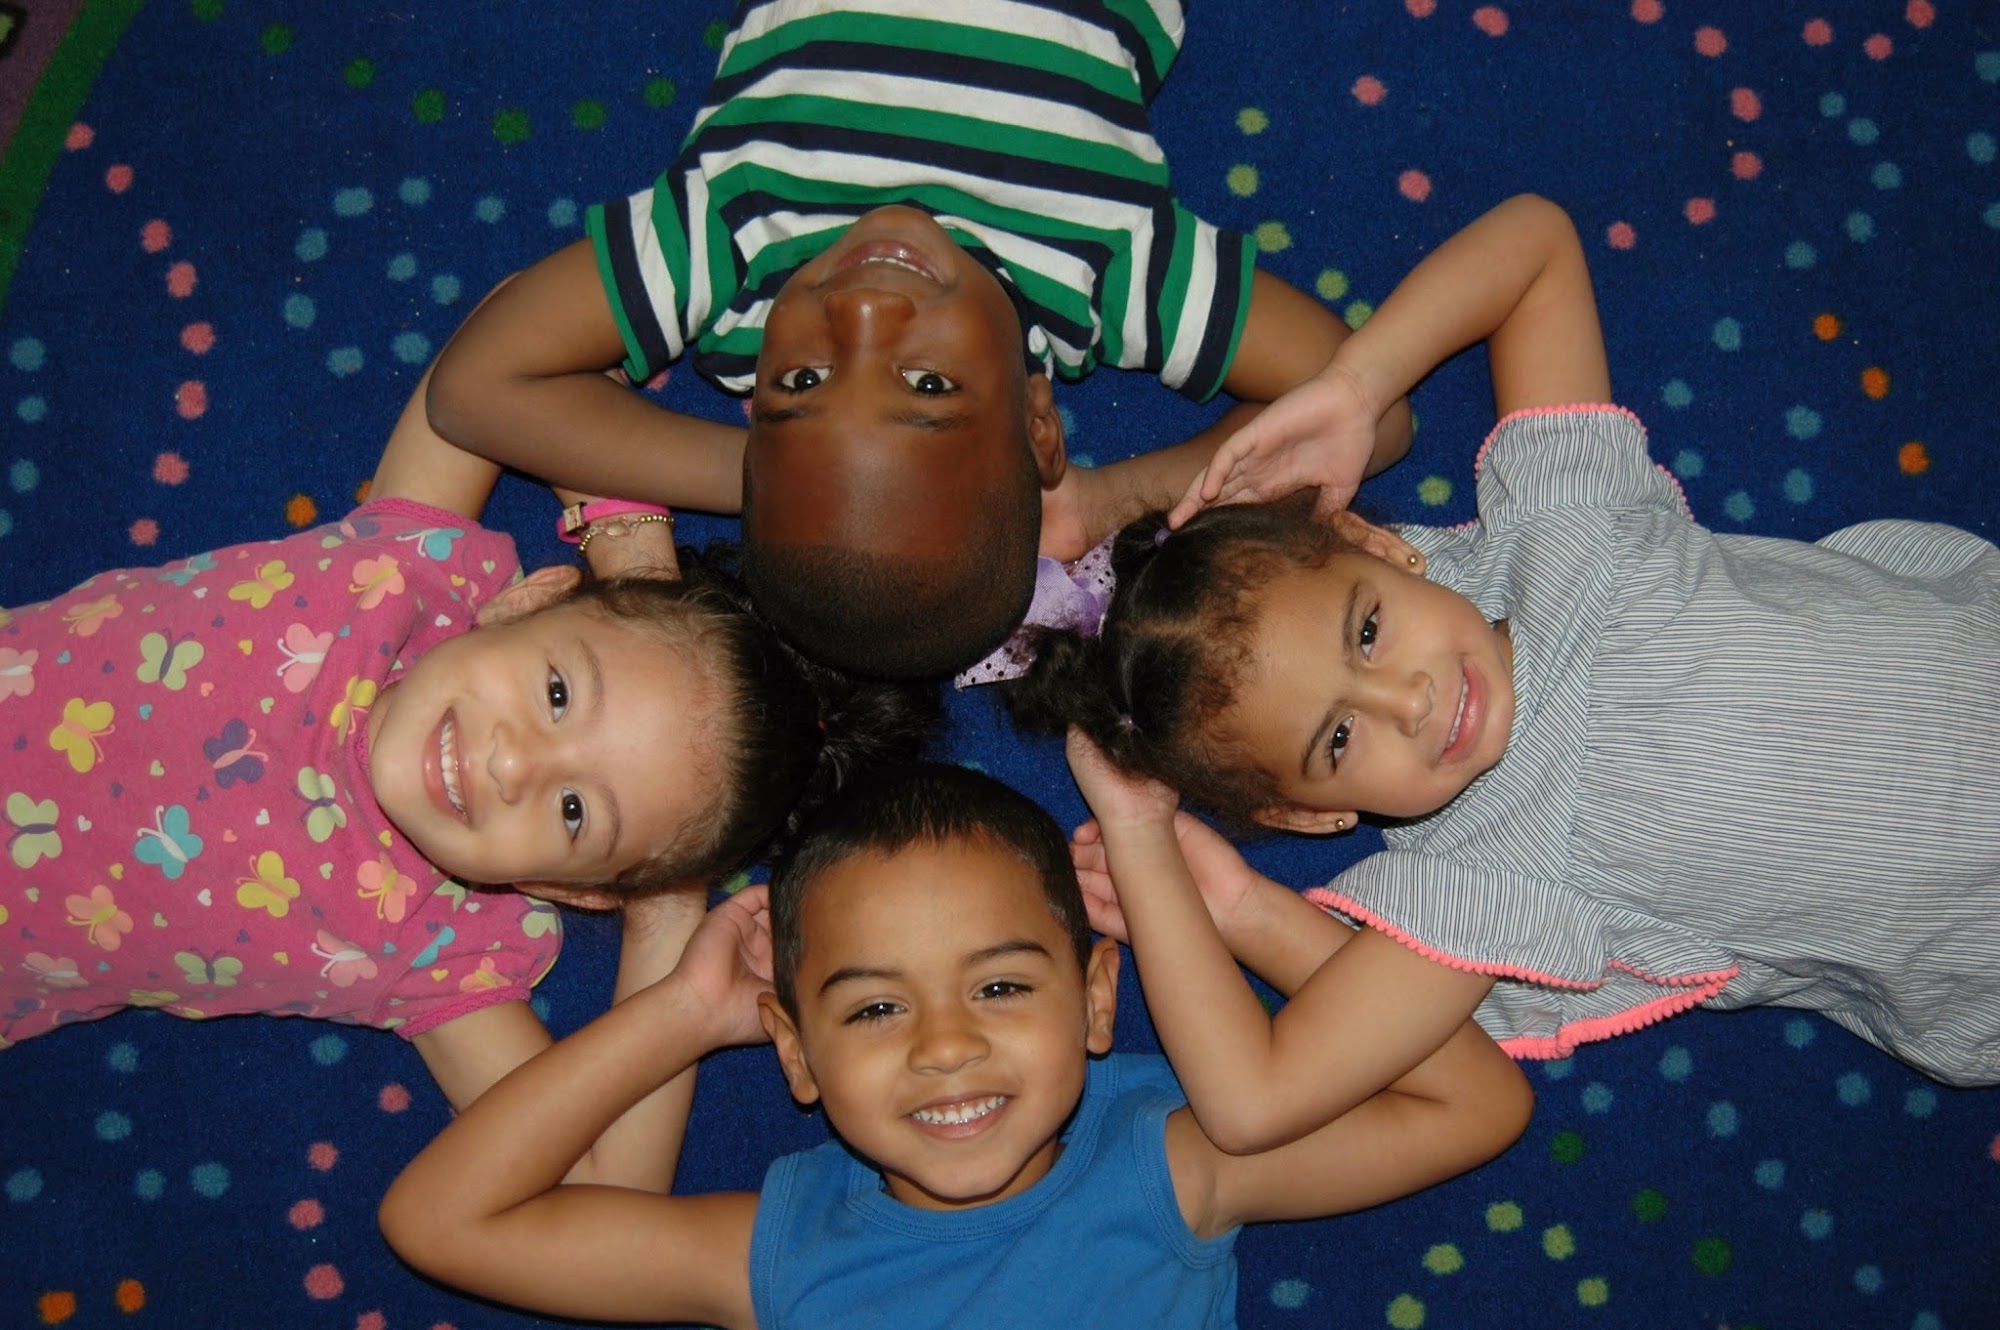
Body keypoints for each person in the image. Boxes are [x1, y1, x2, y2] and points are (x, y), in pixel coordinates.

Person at [1005, 193, 2000, 1120]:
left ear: (1375, 544)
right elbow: (1253, 1098)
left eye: (1367, 631)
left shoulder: (1565, 531)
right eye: (1339, 738)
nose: (1409, 702)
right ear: (1310, 815)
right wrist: (1192, 877)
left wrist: (1355, 386)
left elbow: (1534, 244)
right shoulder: (1488, 876)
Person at [0, 367, 936, 1188]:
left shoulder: (435, 946)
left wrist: (669, 938)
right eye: (560, 691)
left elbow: (608, 1192)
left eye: (576, 811)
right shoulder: (401, 575)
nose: (513, 762)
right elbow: (511, 370)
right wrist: (631, 553)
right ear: (530, 598)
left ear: (573, 891)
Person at [421, 0, 1413, 680]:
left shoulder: (736, 241)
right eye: (929, 388)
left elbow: (475, 388)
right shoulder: (1101, 268)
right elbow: (1369, 410)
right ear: (1037, 422)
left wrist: (773, 479)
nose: (860, 315)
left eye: (800, 385)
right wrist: (1111, 495)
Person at [378, 763, 1530, 1328]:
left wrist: (1238, 916)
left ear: (1094, 1001)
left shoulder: (1172, 1165)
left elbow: (1473, 1104)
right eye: (873, 1009)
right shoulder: (777, 1253)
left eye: (999, 986)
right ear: (796, 1054)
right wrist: (677, 1018)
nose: (944, 1044)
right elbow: (440, 1222)